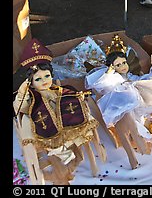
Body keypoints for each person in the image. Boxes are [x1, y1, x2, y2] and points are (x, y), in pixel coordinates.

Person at [13, 38, 99, 173]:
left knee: (78, 112)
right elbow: (21, 108)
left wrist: (77, 96)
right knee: (49, 137)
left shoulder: (55, 90)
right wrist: (21, 93)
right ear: (31, 82)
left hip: (64, 120)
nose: (44, 81)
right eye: (38, 79)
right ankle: (64, 155)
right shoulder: (31, 95)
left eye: (47, 76)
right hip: (47, 126)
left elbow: (68, 95)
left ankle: (76, 151)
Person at [85, 35, 152, 138]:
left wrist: (151, 78)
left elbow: (139, 80)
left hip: (143, 96)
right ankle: (145, 127)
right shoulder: (114, 78)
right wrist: (109, 73)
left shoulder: (130, 75)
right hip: (130, 100)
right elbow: (102, 84)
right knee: (135, 108)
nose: (123, 66)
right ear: (112, 67)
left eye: (124, 63)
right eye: (118, 65)